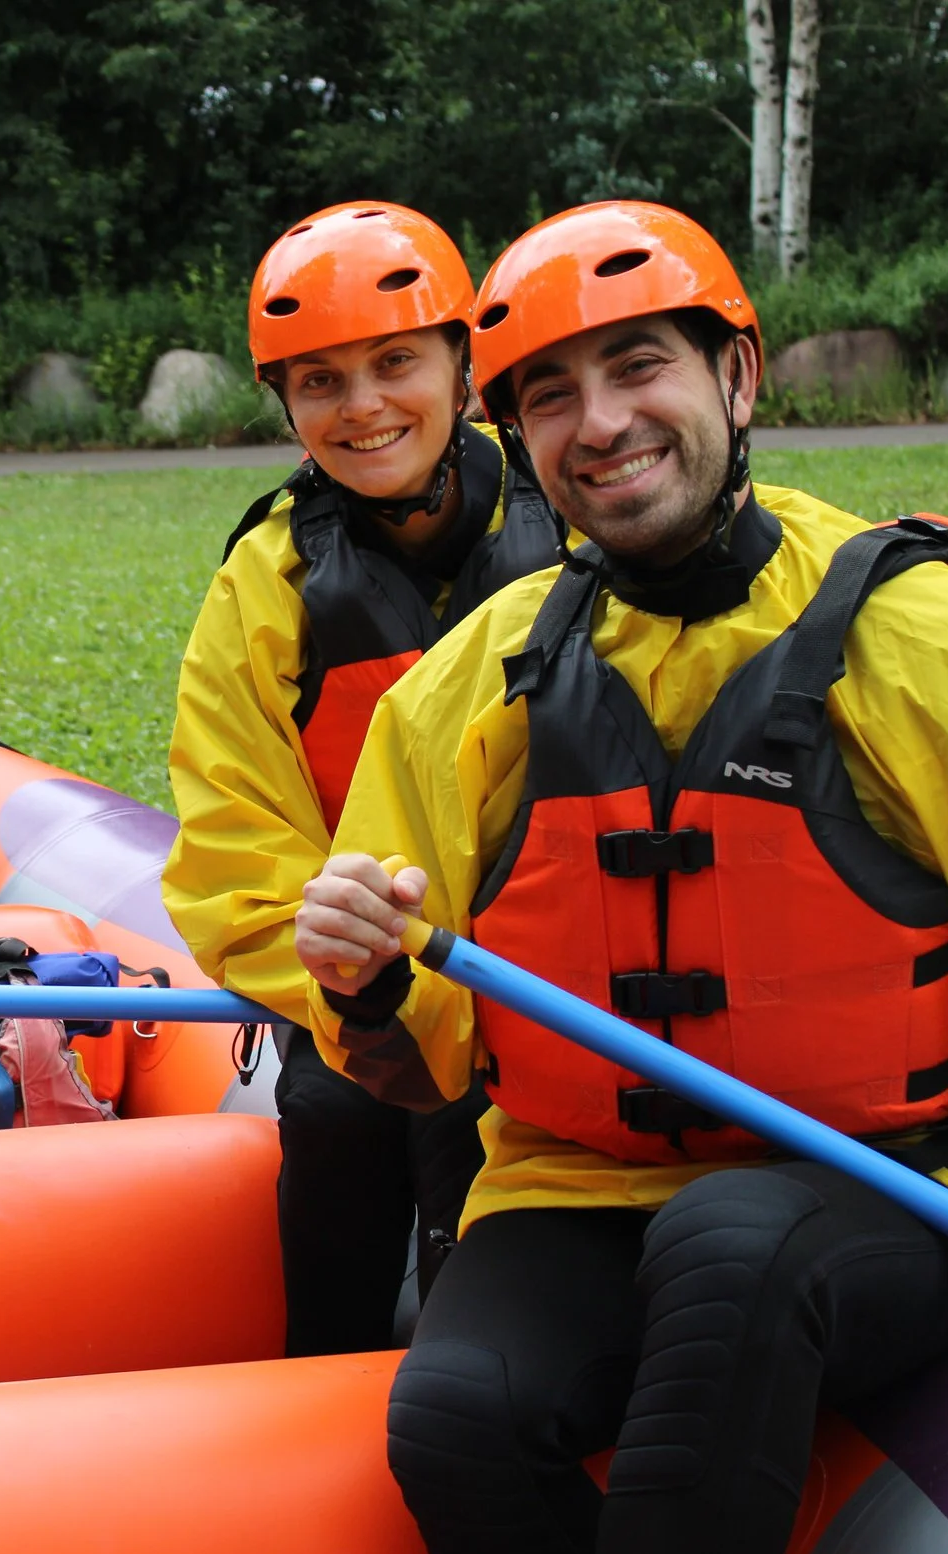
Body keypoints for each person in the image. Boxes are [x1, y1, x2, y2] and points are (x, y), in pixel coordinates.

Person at [289, 200, 948, 1554]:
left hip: (884, 1184)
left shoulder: (929, 643)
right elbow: (419, 1064)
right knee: (454, 1415)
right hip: (573, 1185)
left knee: (734, 1244)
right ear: (518, 436)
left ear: (738, 378)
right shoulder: (471, 689)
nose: (602, 423)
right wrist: (374, 982)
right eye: (551, 396)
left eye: (640, 366)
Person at [164, 201, 566, 1354]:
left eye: (396, 363)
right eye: (321, 381)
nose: (365, 406)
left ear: (462, 363)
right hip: (365, 990)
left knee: (475, 1136)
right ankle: (330, 1368)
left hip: (560, 980)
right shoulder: (270, 581)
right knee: (336, 1108)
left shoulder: (578, 516)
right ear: (286, 404)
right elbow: (234, 852)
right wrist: (362, 971)